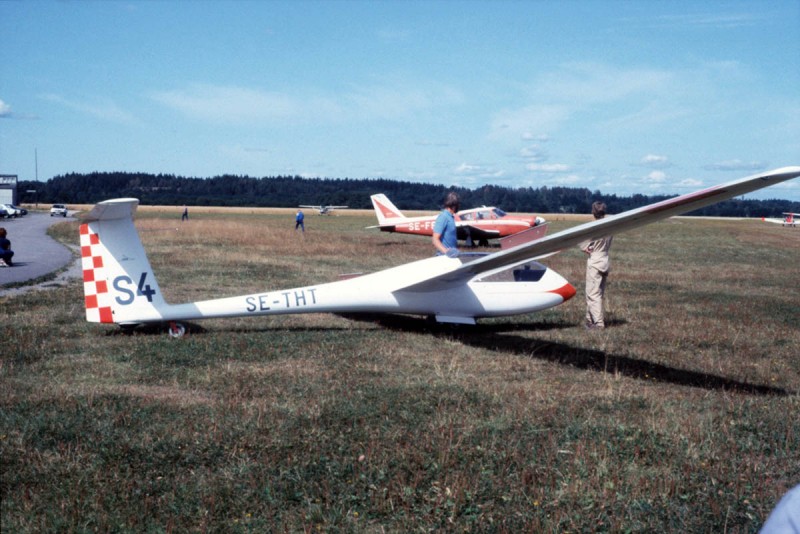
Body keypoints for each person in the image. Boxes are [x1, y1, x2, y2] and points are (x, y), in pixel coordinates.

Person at [580, 201, 613, 329]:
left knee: (592, 294)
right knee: (598, 293)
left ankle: (598, 323)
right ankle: (590, 320)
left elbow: (584, 247)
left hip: (595, 261)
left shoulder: (593, 227)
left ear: (593, 212)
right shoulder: (610, 227)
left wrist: (586, 248)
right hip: (605, 260)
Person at [432, 192, 460, 257]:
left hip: (451, 256)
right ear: (454, 205)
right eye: (458, 204)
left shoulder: (450, 217)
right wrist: (447, 252)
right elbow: (435, 239)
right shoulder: (443, 217)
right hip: (444, 256)